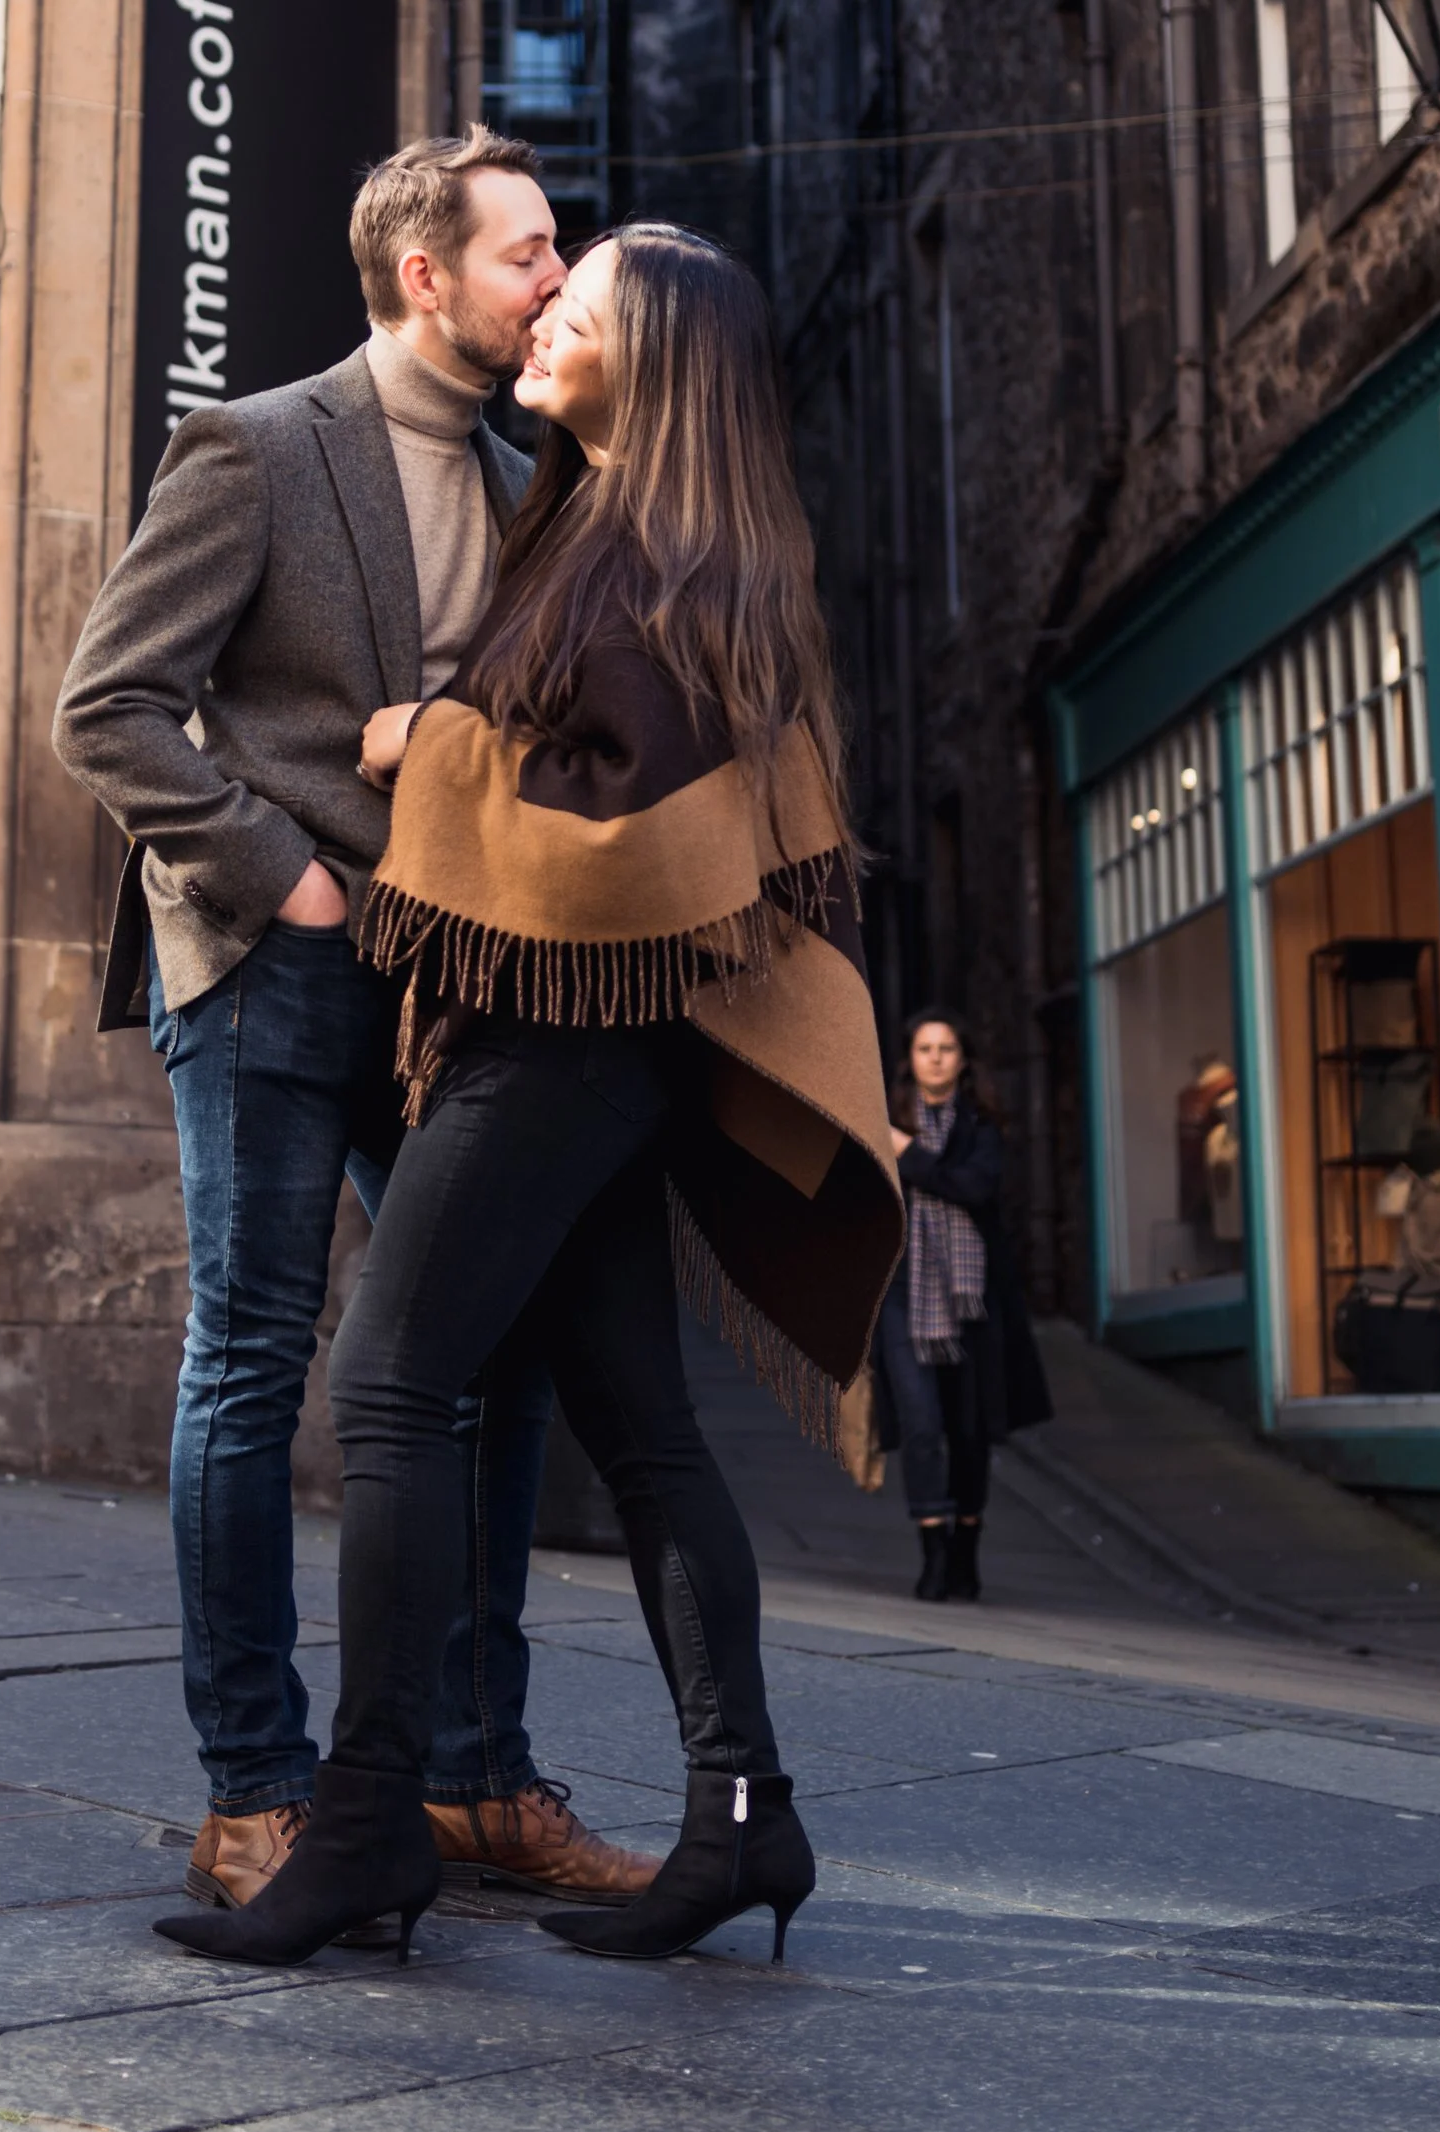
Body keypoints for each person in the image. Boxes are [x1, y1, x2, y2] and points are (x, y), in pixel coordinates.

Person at [152, 223, 904, 1972]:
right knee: (640, 1428)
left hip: (565, 1037)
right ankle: (744, 1817)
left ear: (676, 348)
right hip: (602, 1035)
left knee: (395, 1387)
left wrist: (438, 745)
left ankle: (362, 1834)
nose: (553, 307)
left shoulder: (665, 544)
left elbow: (625, 808)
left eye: (591, 292)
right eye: (545, 281)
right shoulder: (624, 527)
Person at [53, 129, 656, 1914]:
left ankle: (473, 1780)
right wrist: (287, 874)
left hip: (448, 977)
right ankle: (255, 1788)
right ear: (427, 274)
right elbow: (110, 709)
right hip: (269, 962)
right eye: (528, 252)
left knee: (487, 1357)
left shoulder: (521, 469)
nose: (557, 277)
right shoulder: (258, 447)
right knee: (253, 1355)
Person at [875, 1011, 1052, 1602]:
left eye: (947, 1047)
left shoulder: (982, 1127)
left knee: (970, 1428)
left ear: (963, 1059)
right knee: (922, 1423)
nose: (935, 1057)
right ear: (910, 1058)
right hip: (903, 1292)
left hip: (972, 1300)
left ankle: (966, 1550)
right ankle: (933, 1547)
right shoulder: (883, 1122)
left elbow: (973, 1187)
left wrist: (910, 1156)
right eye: (925, 1047)